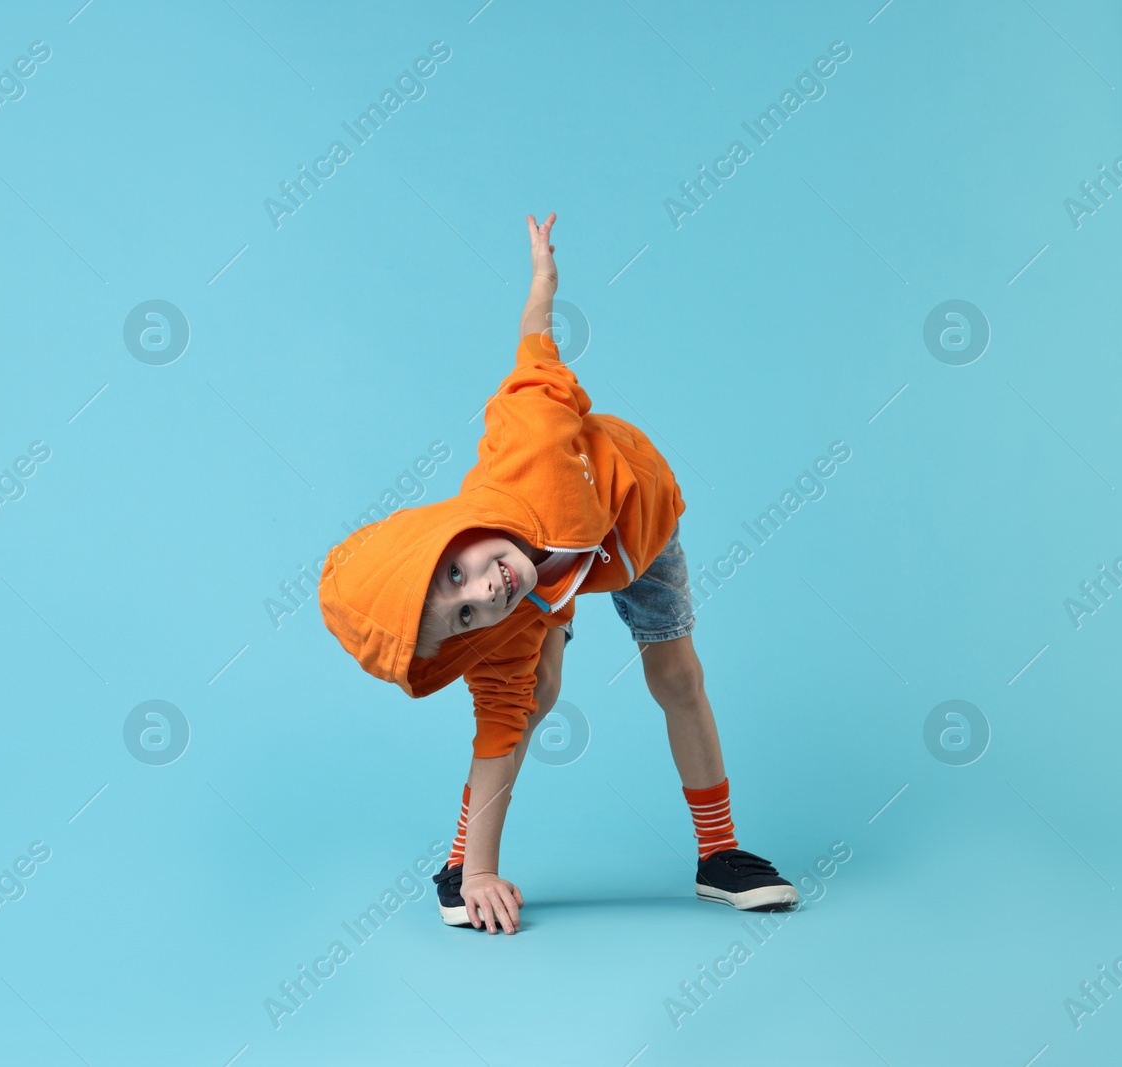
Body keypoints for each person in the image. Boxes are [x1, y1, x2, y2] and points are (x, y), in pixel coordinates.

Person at [317, 213, 798, 934]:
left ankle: (720, 854)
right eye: (464, 618)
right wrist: (478, 874)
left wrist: (542, 281)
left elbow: (533, 353)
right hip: (554, 593)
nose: (483, 591)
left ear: (444, 537)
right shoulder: (503, 616)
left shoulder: (531, 442)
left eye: (456, 576)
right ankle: (457, 859)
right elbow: (498, 729)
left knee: (677, 677)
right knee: (532, 694)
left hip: (637, 526)